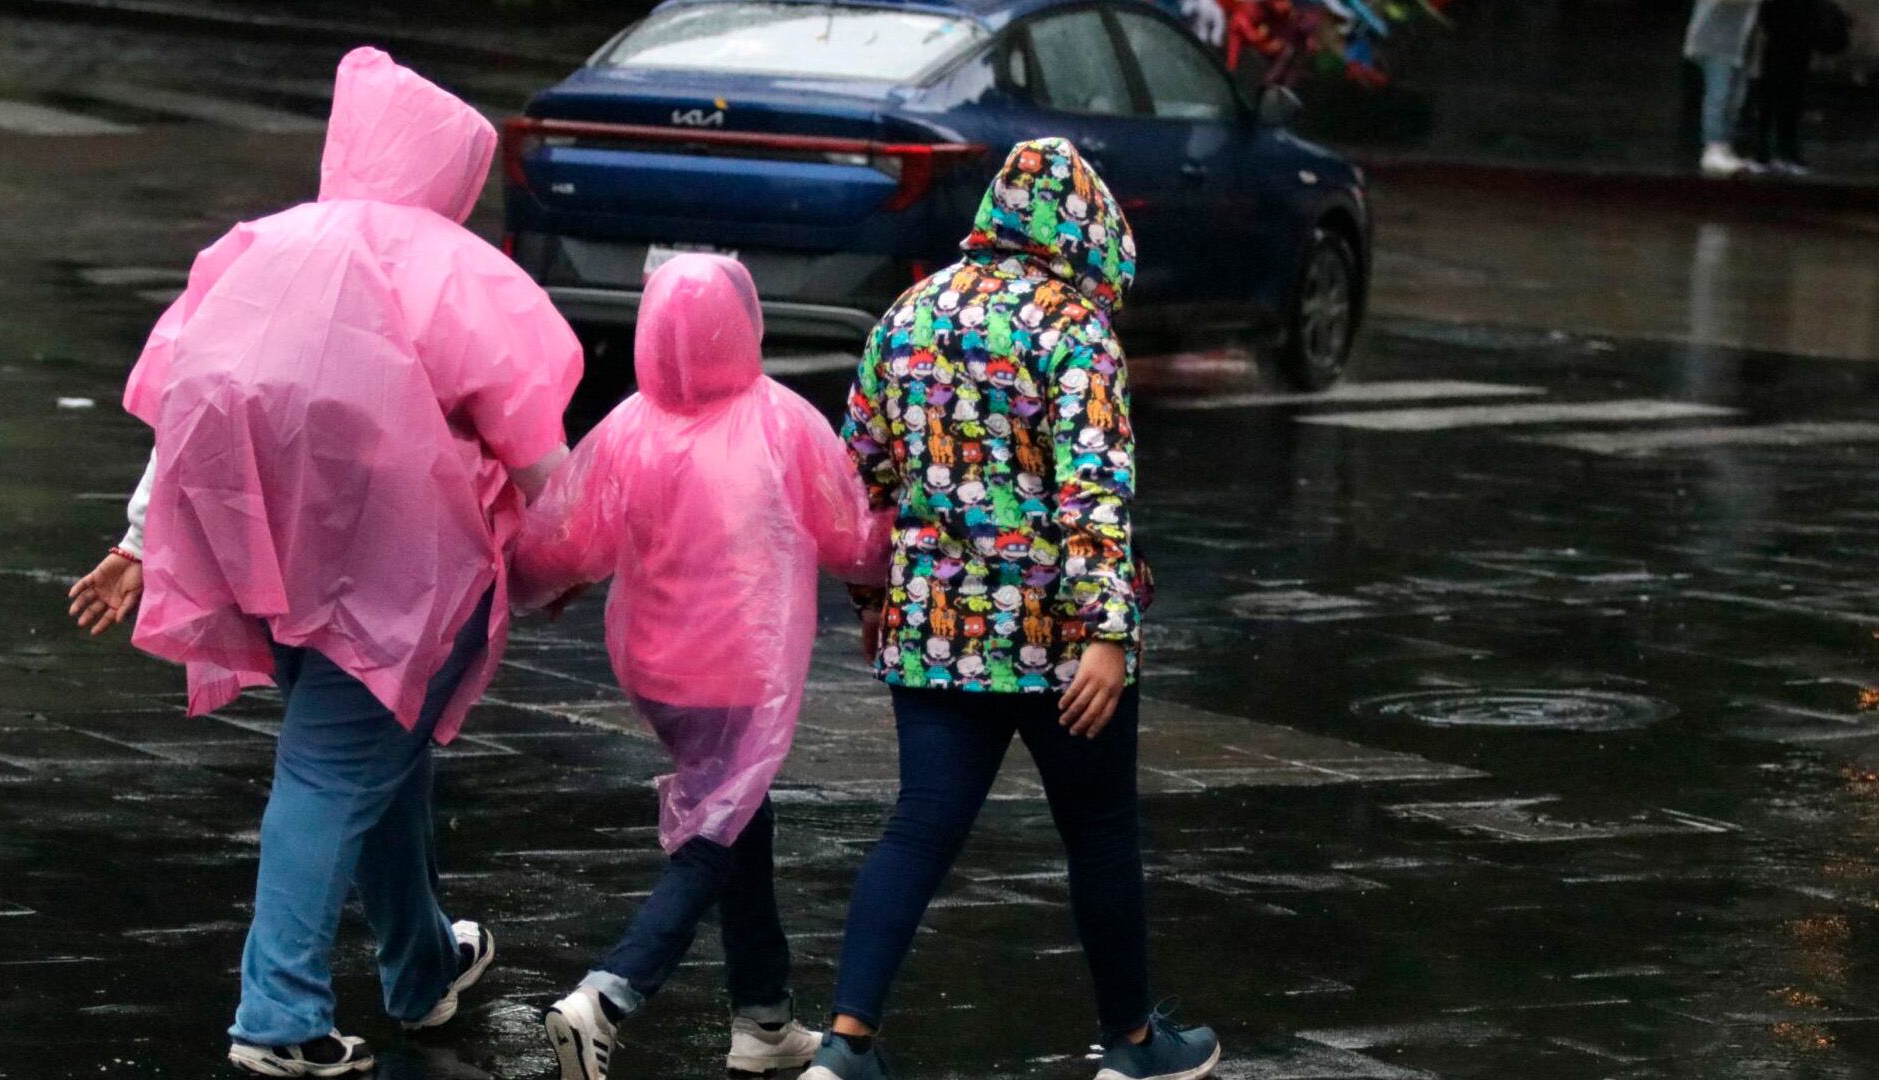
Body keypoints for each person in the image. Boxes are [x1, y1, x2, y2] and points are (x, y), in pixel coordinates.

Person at [65, 47, 583, 1077]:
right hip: (407, 573)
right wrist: (570, 553)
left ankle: (424, 968)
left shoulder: (262, 248)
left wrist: (139, 537)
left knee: (381, 758)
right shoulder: (452, 269)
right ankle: (279, 1017)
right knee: (332, 769)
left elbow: (194, 398)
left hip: (270, 564)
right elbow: (533, 447)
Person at [804, 137, 1219, 1080]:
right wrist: (1108, 634)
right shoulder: (1076, 332)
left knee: (919, 825)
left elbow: (858, 475)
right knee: (1100, 831)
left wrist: (871, 594)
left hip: (934, 631)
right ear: (1087, 233)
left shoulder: (906, 316)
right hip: (1058, 646)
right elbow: (1093, 494)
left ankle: (844, 1046)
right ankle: (1133, 1044)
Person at [511, 254, 893, 1080]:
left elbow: (563, 539)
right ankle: (609, 994)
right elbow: (854, 538)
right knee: (717, 829)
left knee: (738, 816)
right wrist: (907, 538)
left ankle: (764, 1017)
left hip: (654, 668)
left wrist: (525, 585)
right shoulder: (783, 421)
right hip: (743, 670)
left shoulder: (628, 425)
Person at [1686, 0, 1766, 177]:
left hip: (1739, 40)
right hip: (1714, 39)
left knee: (1736, 97)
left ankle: (1725, 146)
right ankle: (1713, 147)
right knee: (1719, 95)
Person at [1744, 0, 1821, 174]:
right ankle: (1782, 152)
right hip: (1794, 43)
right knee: (1786, 100)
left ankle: (1768, 153)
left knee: (1775, 101)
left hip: (1783, 43)